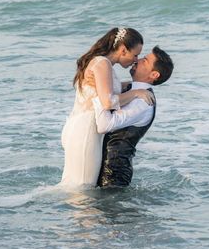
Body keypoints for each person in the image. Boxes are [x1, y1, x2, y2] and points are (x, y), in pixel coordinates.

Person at [60, 27, 154, 187]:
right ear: (123, 50)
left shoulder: (101, 62)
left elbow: (109, 90)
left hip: (80, 126)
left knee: (75, 186)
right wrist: (136, 92)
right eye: (135, 55)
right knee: (82, 189)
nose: (136, 60)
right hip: (87, 131)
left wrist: (138, 85)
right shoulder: (103, 63)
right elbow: (108, 101)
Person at [92, 46, 174, 188]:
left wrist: (100, 98)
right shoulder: (132, 90)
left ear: (154, 74)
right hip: (105, 171)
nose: (138, 60)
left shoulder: (143, 101)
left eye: (145, 60)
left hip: (112, 176)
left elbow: (105, 125)